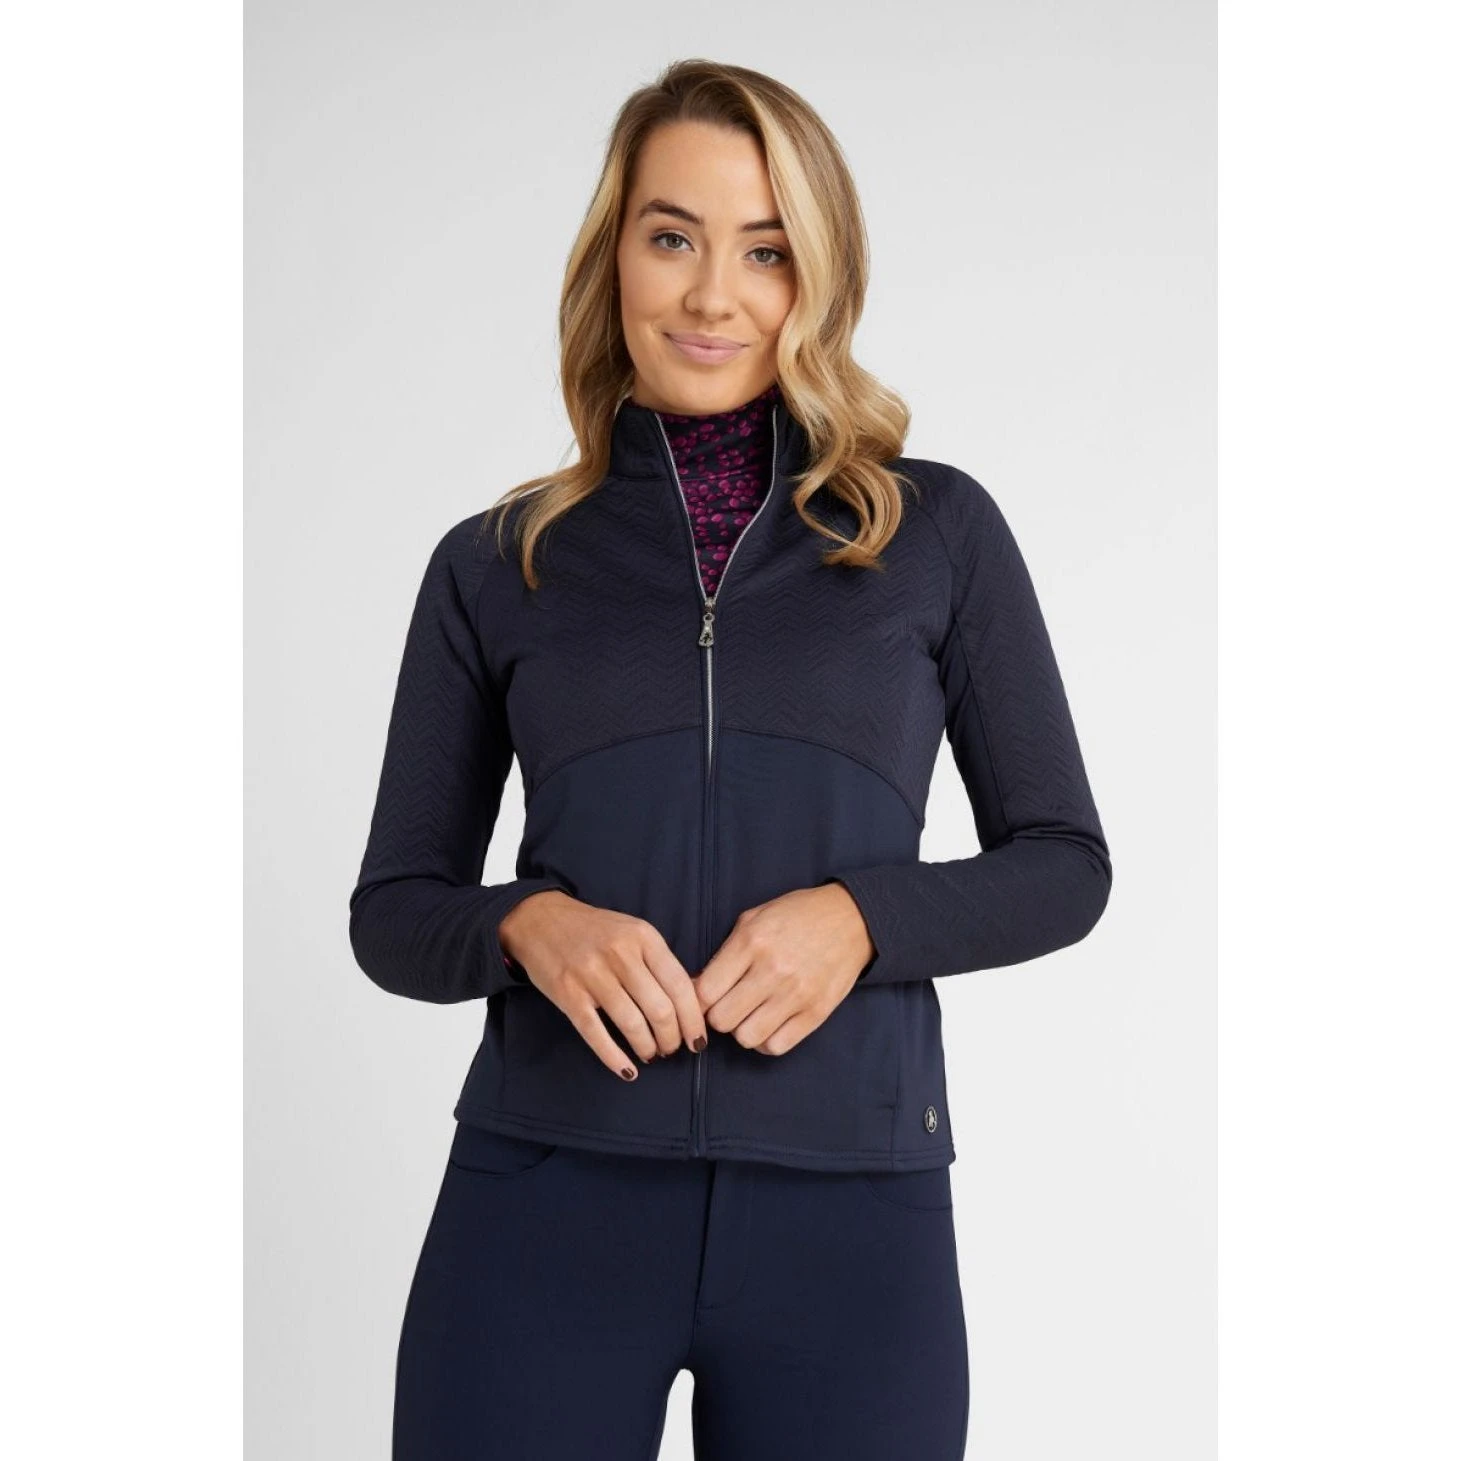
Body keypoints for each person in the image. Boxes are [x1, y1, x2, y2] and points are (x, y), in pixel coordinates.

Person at [349, 58, 1111, 1461]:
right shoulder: (498, 562)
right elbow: (394, 912)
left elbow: (1065, 865)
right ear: (614, 255)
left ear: (818, 276)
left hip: (851, 1218)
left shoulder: (932, 536)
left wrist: (862, 919)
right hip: (544, 1204)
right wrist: (528, 926)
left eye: (765, 250)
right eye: (672, 237)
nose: (713, 296)